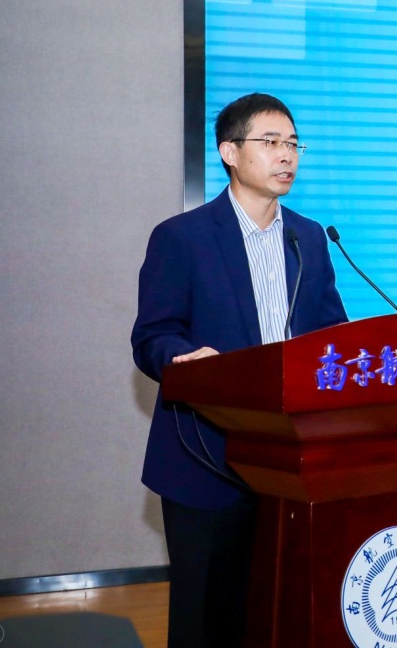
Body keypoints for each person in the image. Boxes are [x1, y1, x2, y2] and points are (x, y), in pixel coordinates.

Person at [132, 93, 347, 647]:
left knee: (278, 610)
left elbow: (332, 337)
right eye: (270, 142)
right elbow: (152, 336)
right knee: (206, 618)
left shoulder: (308, 238)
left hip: (290, 463)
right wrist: (187, 362)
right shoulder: (182, 237)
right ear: (230, 152)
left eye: (293, 144)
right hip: (207, 456)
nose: (286, 155)